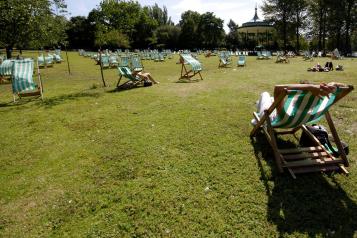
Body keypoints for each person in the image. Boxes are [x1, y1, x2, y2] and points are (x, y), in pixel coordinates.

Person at [251, 82, 348, 125]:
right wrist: (333, 85)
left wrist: (310, 86)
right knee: (270, 99)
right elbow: (346, 88)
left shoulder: (285, 114)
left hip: (270, 118)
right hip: (297, 120)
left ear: (296, 100)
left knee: (265, 94)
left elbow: (278, 88)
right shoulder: (315, 111)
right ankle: (259, 103)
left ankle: (258, 120)